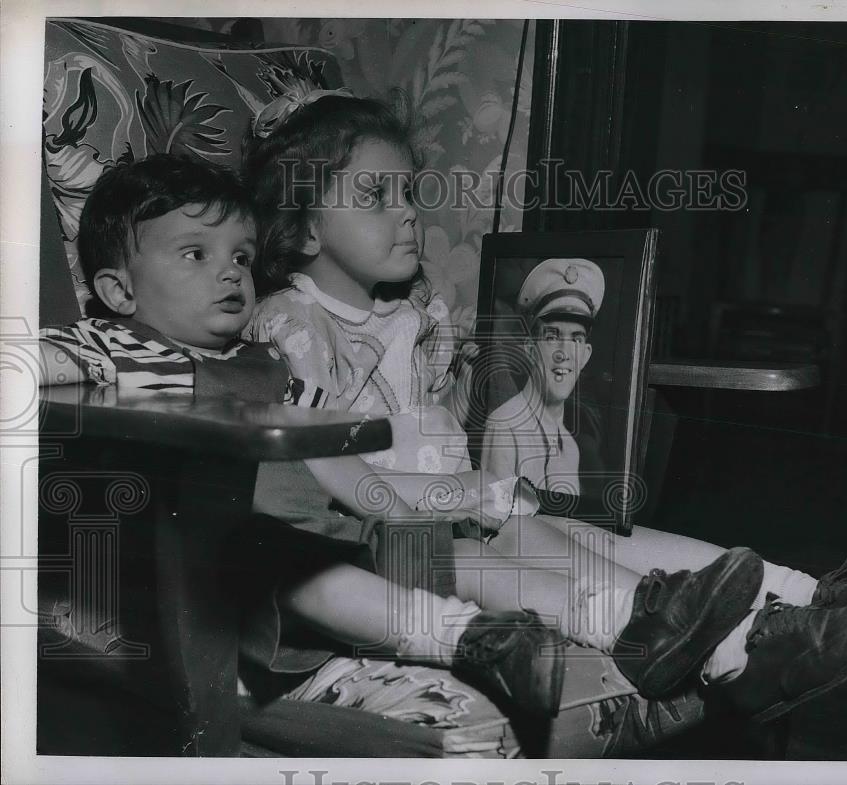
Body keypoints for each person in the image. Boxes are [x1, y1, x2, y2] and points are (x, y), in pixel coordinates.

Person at [240, 88, 847, 723]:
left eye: (410, 193)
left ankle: (798, 600)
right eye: (375, 198)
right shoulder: (290, 327)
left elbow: (443, 424)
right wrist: (465, 489)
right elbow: (316, 480)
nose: (406, 216)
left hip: (453, 511)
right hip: (378, 545)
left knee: (584, 531)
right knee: (520, 540)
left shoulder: (413, 313)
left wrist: (476, 383)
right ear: (303, 228)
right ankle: (720, 648)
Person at [35, 153, 567, 717]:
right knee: (303, 571)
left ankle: (603, 618)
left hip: (300, 539)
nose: (230, 272)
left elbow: (349, 470)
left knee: (438, 549)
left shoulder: (268, 367)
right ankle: (471, 641)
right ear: (119, 293)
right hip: (191, 577)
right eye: (196, 253)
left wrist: (442, 498)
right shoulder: (113, 349)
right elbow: (31, 364)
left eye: (241, 256)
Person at [480, 257, 605, 495]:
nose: (564, 354)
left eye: (576, 339)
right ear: (529, 348)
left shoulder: (570, 446)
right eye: (551, 337)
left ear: (586, 355)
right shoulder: (506, 428)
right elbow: (496, 526)